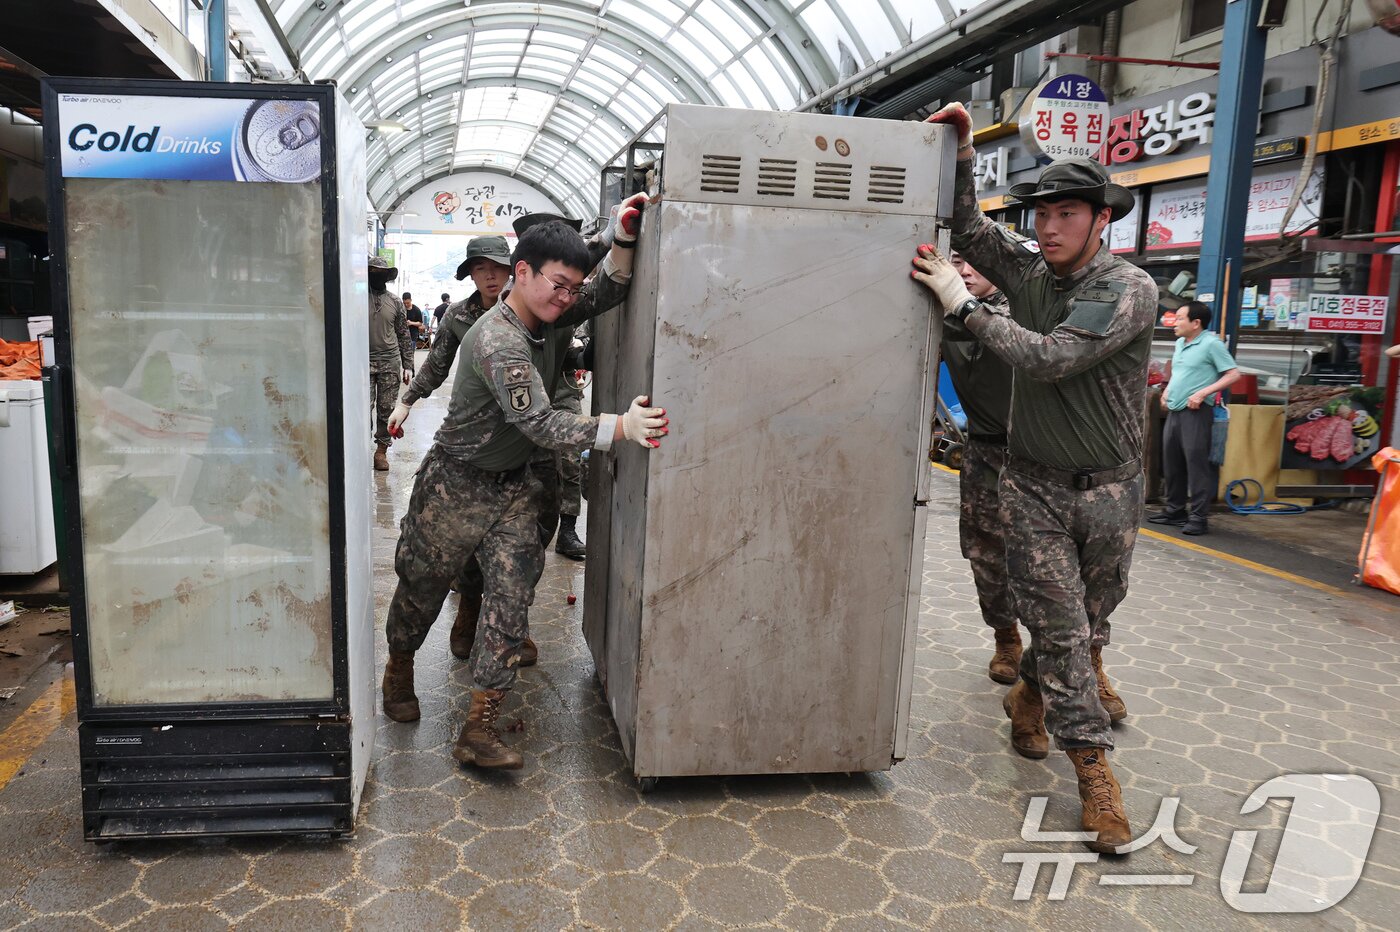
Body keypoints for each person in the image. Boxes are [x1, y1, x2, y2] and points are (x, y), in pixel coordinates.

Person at [915, 103, 1157, 853]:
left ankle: (1032, 694)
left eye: (1067, 213)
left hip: (1112, 490)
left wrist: (964, 305)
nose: (1049, 227)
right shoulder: (1025, 271)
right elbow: (971, 227)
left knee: (1090, 624)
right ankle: (1093, 773)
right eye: (1043, 213)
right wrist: (958, 154)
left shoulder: (1128, 290)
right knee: (1058, 623)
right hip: (1033, 488)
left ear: (1099, 220)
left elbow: (1051, 357)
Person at [381, 201, 665, 772]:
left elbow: (602, 293)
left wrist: (624, 239)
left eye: (570, 287)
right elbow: (540, 421)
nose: (566, 297)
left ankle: (479, 727)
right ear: (523, 274)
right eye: (557, 285)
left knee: (510, 601)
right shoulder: (497, 339)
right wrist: (617, 428)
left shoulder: (549, 313)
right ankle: (399, 668)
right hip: (456, 486)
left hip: (516, 487)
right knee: (422, 589)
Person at [942, 252, 1023, 684]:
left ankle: (1086, 660)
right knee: (986, 556)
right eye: (956, 261)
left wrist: (962, 307)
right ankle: (1006, 640)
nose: (966, 270)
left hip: (1035, 456)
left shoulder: (1023, 309)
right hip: (983, 453)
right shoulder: (945, 314)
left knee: (1055, 567)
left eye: (976, 262)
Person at [1149, 302, 1240, 536]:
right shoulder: (1180, 343)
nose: (1175, 323)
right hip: (1175, 410)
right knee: (1172, 463)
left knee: (1196, 465)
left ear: (1196, 323)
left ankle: (1199, 517)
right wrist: (1167, 392)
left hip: (1196, 413)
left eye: (1180, 318)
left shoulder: (1212, 344)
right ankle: (1175, 510)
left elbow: (1233, 374)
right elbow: (1179, 373)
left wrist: (1203, 393)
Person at [368, 256, 413, 472]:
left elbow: (404, 335)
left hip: (389, 362)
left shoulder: (395, 302)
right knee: (362, 409)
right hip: (362, 364)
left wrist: (408, 366)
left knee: (386, 409)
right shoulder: (356, 299)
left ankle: (381, 452)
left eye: (380, 273)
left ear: (387, 277)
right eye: (372, 272)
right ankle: (359, 449)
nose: (376, 277)